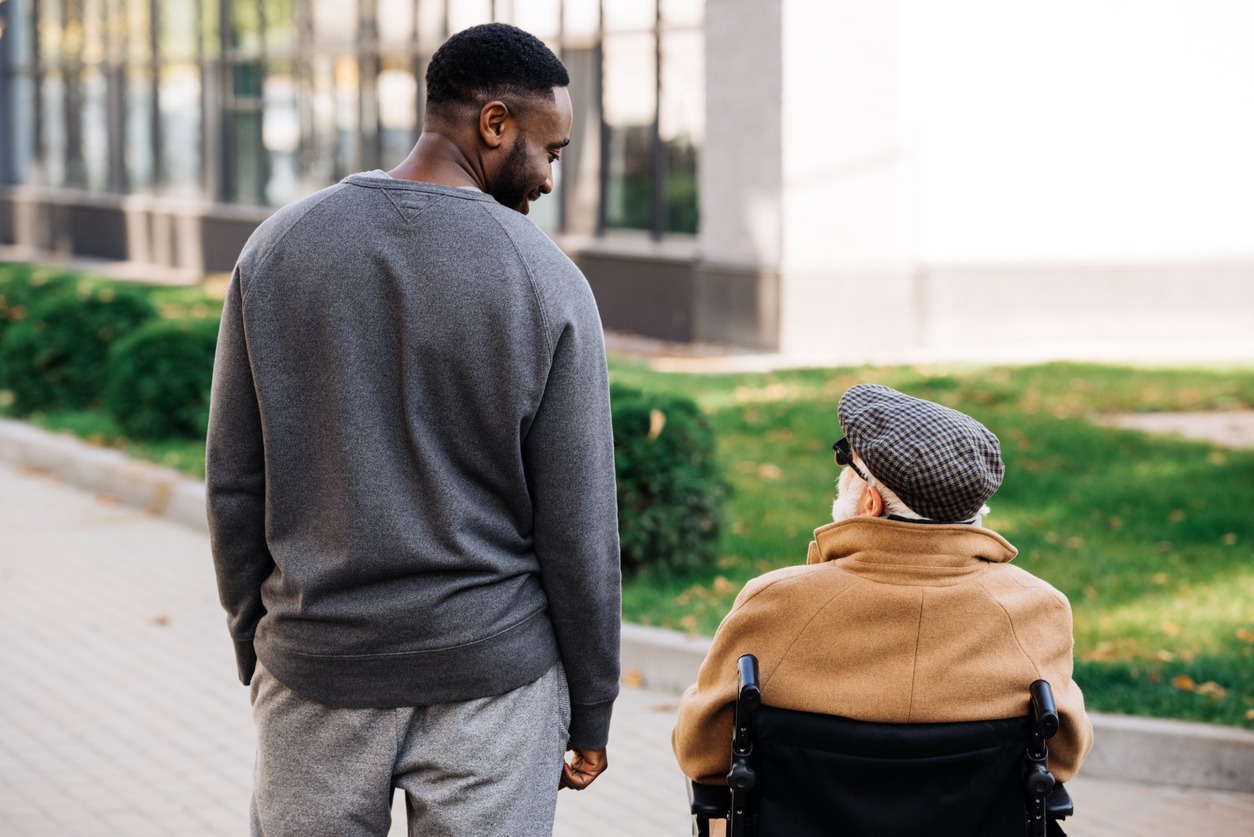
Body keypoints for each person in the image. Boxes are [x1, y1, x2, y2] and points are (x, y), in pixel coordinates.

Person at [206, 23, 621, 836]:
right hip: (491, 686)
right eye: (550, 150)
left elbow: (234, 482)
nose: (546, 177)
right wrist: (593, 706)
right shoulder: (548, 283)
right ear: (495, 124)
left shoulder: (277, 249)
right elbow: (580, 524)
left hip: (315, 673)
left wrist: (254, 647)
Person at [673, 384, 1093, 787]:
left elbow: (700, 754)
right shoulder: (1038, 609)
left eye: (846, 462)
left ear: (870, 503)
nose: (839, 473)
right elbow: (1061, 760)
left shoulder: (776, 604)